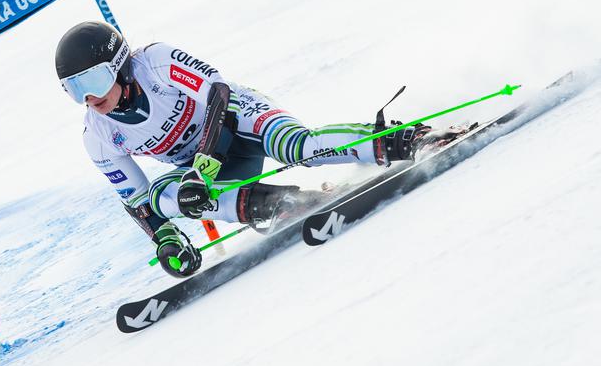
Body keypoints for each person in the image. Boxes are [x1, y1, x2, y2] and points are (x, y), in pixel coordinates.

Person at [55, 21, 455, 278]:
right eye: (74, 89)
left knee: (297, 146)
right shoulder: (99, 136)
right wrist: (166, 240)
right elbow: (137, 198)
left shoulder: (155, 61)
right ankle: (279, 204)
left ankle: (407, 140)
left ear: (121, 66)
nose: (88, 97)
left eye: (93, 80)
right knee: (163, 196)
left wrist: (205, 163)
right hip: (203, 166)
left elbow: (219, 93)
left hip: (236, 119)